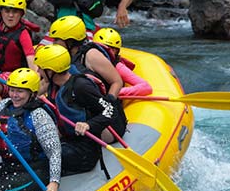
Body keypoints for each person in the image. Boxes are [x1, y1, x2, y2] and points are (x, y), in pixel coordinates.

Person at [34, 44, 127, 175]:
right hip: (70, 140)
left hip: (85, 148)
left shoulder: (80, 86)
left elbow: (110, 110)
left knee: (43, 161)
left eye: (40, 68)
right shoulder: (54, 85)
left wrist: (89, 125)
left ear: (51, 71)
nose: (38, 72)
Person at [46, 15, 123, 97]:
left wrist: (109, 102)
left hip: (98, 102)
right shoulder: (63, 56)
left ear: (70, 41)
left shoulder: (91, 55)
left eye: (57, 40)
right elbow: (46, 82)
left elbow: (117, 82)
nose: (53, 43)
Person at [91, 28, 152, 97]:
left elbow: (145, 87)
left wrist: (114, 92)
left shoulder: (118, 66)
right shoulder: (85, 58)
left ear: (117, 51)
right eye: (104, 48)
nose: (107, 52)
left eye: (113, 49)